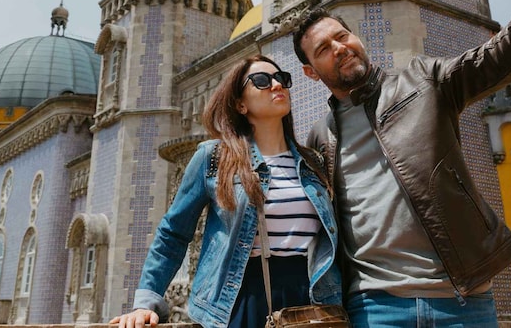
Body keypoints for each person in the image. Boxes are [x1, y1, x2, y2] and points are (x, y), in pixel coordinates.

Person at [291, 0, 511, 327]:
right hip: (374, 307)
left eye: (342, 36)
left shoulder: (424, 81)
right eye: (323, 48)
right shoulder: (321, 137)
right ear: (311, 72)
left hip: (461, 300)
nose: (340, 47)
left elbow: (498, 57)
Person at [110, 55, 341, 328]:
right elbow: (173, 233)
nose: (277, 85)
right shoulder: (214, 158)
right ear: (240, 104)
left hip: (307, 300)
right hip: (238, 301)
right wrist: (146, 303)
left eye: (281, 78)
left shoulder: (312, 162)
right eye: (262, 80)